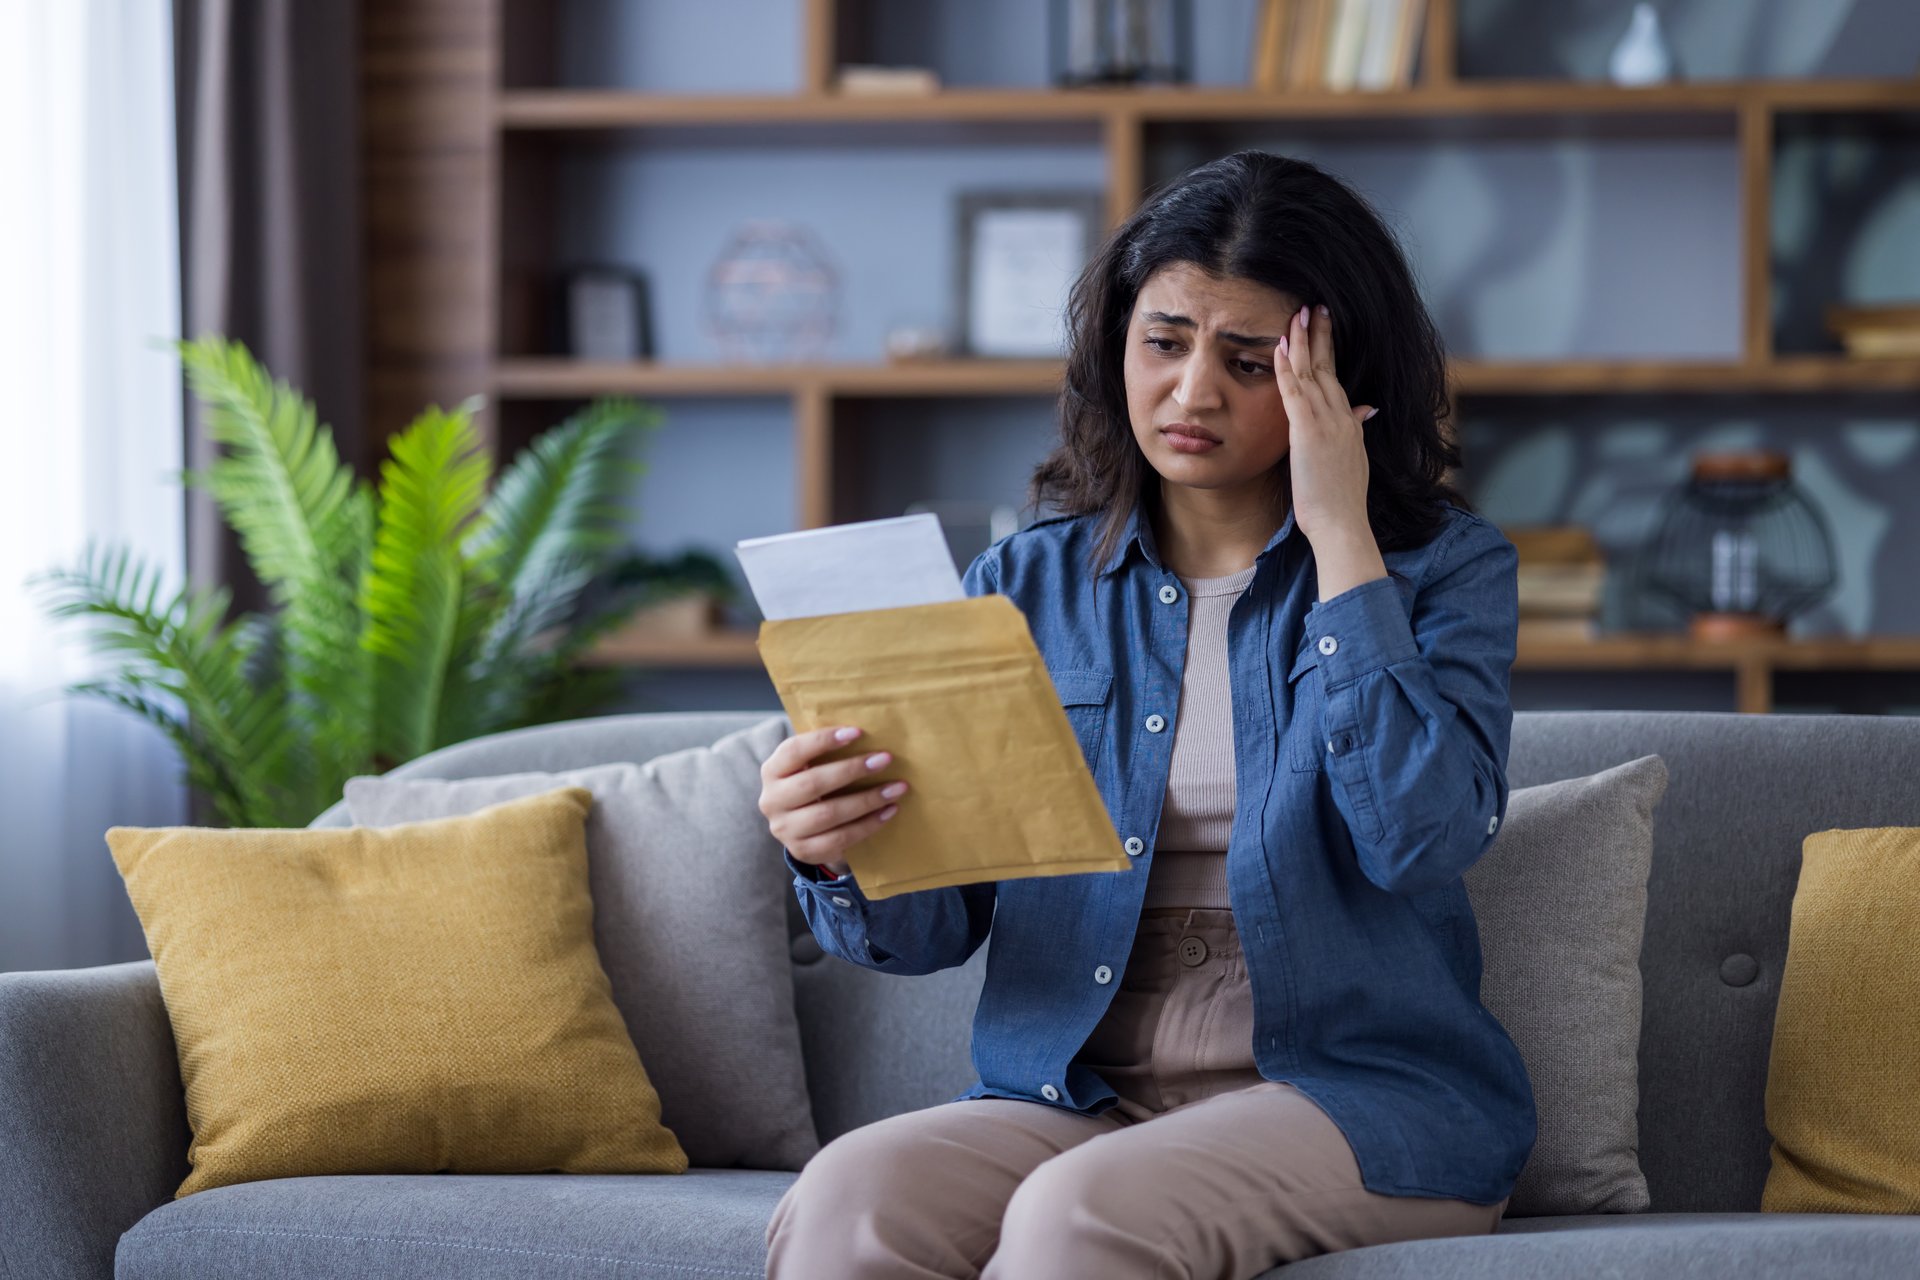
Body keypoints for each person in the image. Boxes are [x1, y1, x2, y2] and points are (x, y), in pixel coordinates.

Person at [757, 149, 1534, 1280]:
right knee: (846, 1199)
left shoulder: (1442, 570)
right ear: (1116, 343)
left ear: (1336, 377)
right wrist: (833, 849)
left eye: (1250, 359)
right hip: (1076, 1088)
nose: (1192, 392)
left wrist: (1341, 535)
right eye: (1163, 342)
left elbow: (1423, 833)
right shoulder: (1023, 585)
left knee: (1078, 1213)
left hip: (1355, 1097)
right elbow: (930, 931)